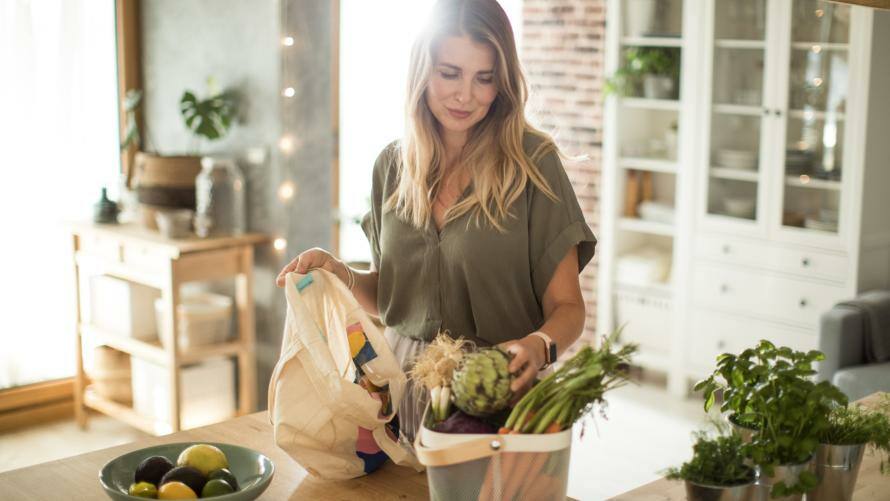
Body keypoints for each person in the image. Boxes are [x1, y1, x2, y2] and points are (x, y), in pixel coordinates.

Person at [276, 0, 596, 447]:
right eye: (450, 73)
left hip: (501, 394)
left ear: (502, 83)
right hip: (406, 390)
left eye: (484, 78)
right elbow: (393, 297)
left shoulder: (532, 165)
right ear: (422, 71)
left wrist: (539, 344)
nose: (465, 95)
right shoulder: (391, 165)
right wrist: (341, 274)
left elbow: (569, 307)